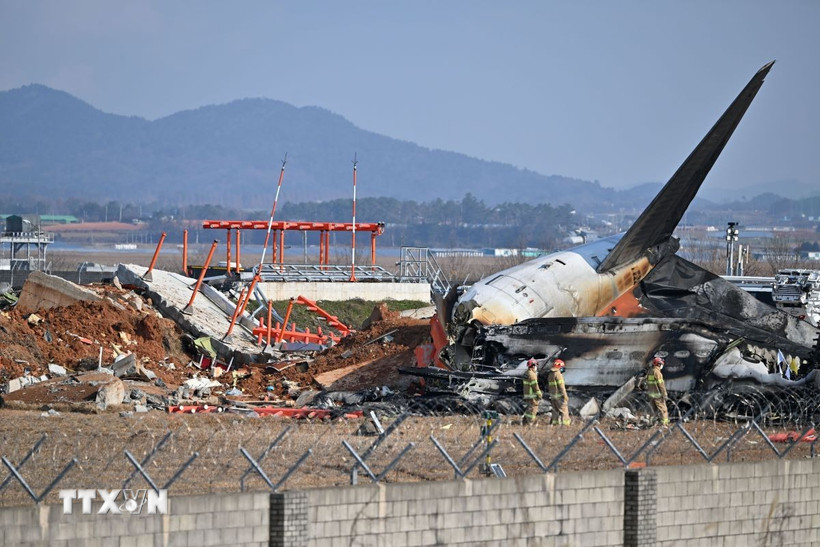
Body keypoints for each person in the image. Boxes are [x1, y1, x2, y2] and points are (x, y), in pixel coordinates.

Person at [645, 356, 669, 425]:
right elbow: (661, 385)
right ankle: (665, 424)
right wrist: (664, 394)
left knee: (653, 410)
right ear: (659, 364)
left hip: (651, 394)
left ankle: (652, 423)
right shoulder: (657, 373)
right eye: (661, 364)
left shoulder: (650, 371)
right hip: (657, 395)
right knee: (663, 410)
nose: (662, 366)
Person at [547, 359, 570, 426]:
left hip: (553, 396)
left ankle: (555, 424)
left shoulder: (550, 374)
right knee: (564, 410)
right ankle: (566, 425)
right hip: (559, 396)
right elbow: (561, 387)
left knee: (555, 411)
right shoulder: (558, 374)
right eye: (562, 367)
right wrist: (565, 396)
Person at [522, 358, 542, 425]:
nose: (536, 367)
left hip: (527, 394)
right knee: (533, 409)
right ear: (533, 366)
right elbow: (535, 386)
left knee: (529, 408)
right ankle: (530, 422)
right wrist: (539, 394)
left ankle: (525, 422)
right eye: (536, 365)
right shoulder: (532, 375)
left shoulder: (526, 373)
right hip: (532, 395)